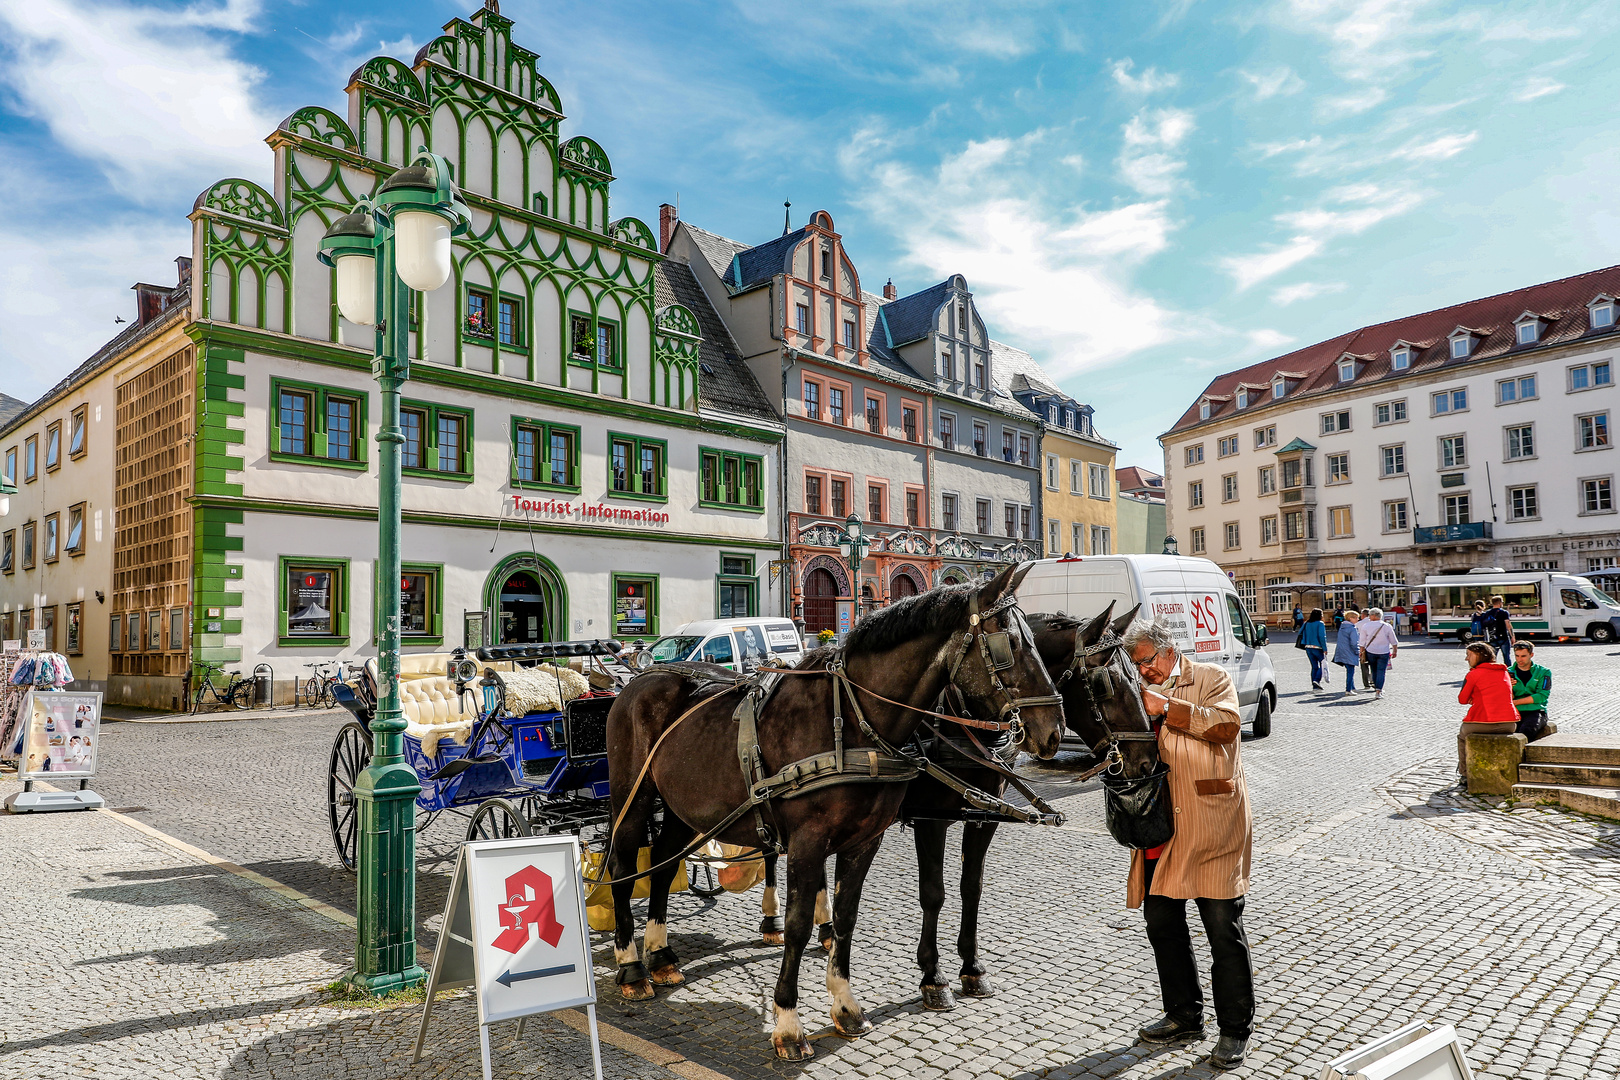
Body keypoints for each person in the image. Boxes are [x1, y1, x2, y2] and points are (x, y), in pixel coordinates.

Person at [1124, 619, 1254, 1071]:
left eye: (1145, 662)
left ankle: (1235, 1031)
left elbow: (1226, 726)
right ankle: (1183, 1015)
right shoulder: (1137, 690)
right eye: (1136, 665)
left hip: (1211, 823)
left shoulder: (1210, 677)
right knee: (1162, 925)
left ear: (1166, 651)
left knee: (1223, 930)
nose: (1142, 672)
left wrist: (1167, 708)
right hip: (1162, 828)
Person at [1457, 641, 1517, 777]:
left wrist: (1474, 696)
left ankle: (1465, 773)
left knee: (1462, 736)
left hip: (1482, 722)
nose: (1466, 659)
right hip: (1509, 724)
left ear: (1479, 656)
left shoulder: (1473, 674)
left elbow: (1462, 699)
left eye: (1469, 655)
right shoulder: (1504, 672)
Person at [1509, 640, 1552, 740]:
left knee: (1527, 731)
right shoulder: (1508, 672)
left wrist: (1515, 702)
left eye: (1523, 656)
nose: (1519, 659)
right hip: (1514, 711)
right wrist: (1508, 687)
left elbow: (1542, 695)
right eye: (1517, 656)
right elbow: (1505, 697)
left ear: (1531, 655)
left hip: (1535, 710)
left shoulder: (1543, 672)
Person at [1358, 608, 1398, 700]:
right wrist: (1395, 651)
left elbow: (1362, 641)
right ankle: (1378, 690)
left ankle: (1376, 687)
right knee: (1381, 671)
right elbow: (1393, 640)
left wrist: (1361, 651)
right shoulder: (1387, 626)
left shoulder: (1366, 626)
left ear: (1372, 616)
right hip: (1384, 651)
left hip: (1370, 651)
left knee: (1374, 670)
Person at [1332, 608, 1362, 695]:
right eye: (1356, 617)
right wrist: (1357, 651)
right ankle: (1348, 690)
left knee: (1349, 670)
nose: (1358, 619)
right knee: (1350, 671)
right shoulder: (1352, 628)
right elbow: (1354, 642)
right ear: (1351, 618)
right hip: (1349, 652)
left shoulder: (1342, 627)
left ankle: (1352, 687)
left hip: (1342, 651)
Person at [1479, 595, 1516, 661]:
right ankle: (1508, 670)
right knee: (1506, 657)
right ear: (1500, 603)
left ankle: (1493, 670)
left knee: (1493, 657)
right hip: (1503, 637)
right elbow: (1508, 625)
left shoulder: (1487, 613)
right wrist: (1512, 636)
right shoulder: (1504, 613)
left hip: (1492, 637)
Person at [1300, 609, 1328, 689]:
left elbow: (1300, 632)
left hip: (1308, 647)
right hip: (1317, 647)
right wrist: (1325, 648)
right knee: (1323, 664)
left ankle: (1314, 685)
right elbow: (1322, 637)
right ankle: (1316, 680)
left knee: (1314, 666)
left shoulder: (1307, 623)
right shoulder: (1320, 623)